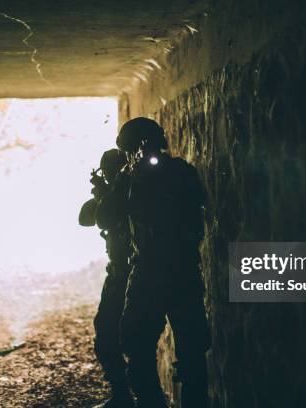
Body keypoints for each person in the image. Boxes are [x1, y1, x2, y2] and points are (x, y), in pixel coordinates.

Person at [117, 118, 211, 408]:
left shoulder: (171, 173)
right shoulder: (171, 172)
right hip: (176, 271)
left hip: (158, 272)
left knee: (147, 347)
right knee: (155, 348)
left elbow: (195, 215)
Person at [79, 149, 135, 408]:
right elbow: (85, 219)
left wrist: (105, 192)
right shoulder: (115, 191)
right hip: (121, 272)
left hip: (129, 273)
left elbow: (104, 217)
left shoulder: (129, 188)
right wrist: (101, 192)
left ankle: (131, 396)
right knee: (110, 335)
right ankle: (126, 395)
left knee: (122, 337)